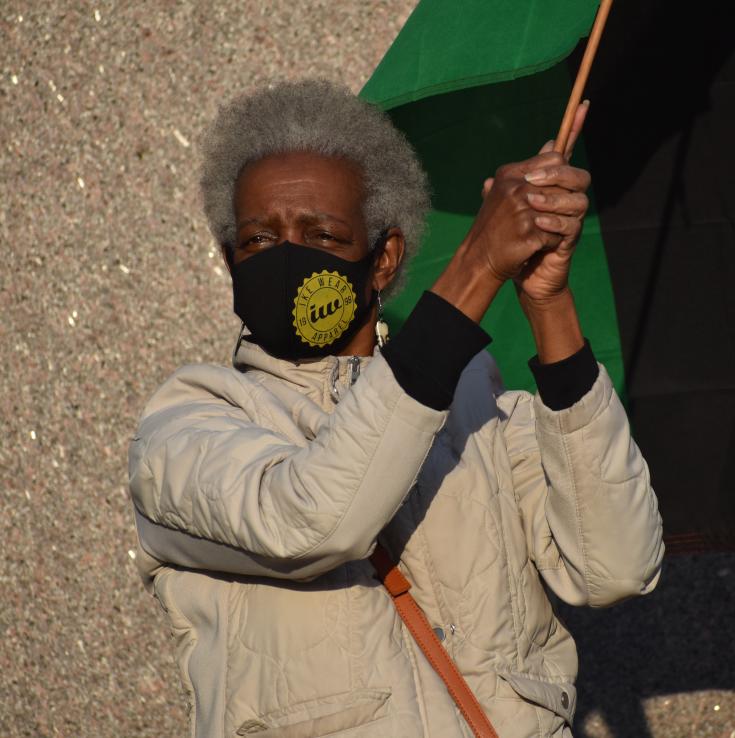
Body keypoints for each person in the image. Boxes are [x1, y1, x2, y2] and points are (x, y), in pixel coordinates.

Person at [128, 79, 663, 738]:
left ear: (383, 259)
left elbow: (616, 567)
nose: (288, 258)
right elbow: (314, 522)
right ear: (228, 259)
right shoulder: (187, 426)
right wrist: (476, 264)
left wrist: (548, 302)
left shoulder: (473, 400)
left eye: (320, 235)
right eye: (260, 242)